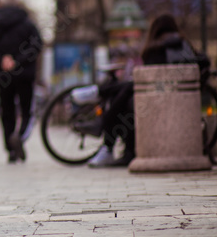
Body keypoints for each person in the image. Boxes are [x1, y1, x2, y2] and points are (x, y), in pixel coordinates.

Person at [89, 13, 209, 168]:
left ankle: (100, 99)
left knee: (126, 94)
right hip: (171, 95)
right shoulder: (183, 44)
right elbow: (204, 60)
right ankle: (100, 97)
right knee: (127, 91)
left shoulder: (154, 48)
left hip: (158, 97)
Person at [0, 0, 42, 163]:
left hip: (2, 75)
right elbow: (36, 45)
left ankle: (10, 149)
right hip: (25, 74)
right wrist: (18, 60)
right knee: (27, 109)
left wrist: (1, 61)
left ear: (0, 4)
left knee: (7, 111)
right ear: (17, 4)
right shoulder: (27, 23)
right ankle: (20, 137)